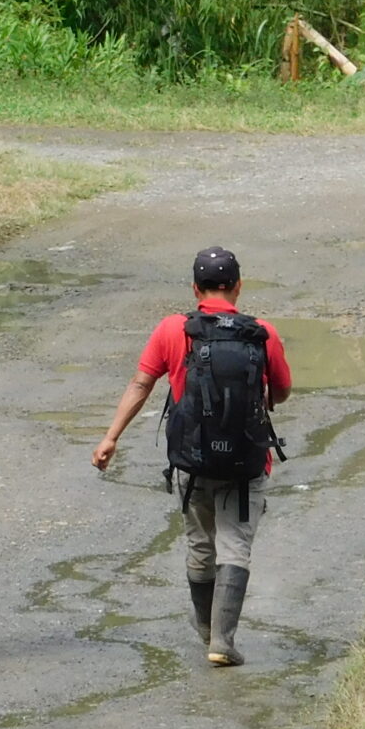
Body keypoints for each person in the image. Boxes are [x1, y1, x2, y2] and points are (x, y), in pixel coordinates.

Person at [89, 245, 290, 667]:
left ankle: (206, 632)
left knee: (200, 545)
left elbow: (141, 384)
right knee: (235, 547)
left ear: (195, 288)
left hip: (192, 461)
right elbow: (282, 392)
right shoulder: (263, 333)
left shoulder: (172, 329)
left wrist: (111, 438)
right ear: (238, 286)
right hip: (247, 463)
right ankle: (223, 640)